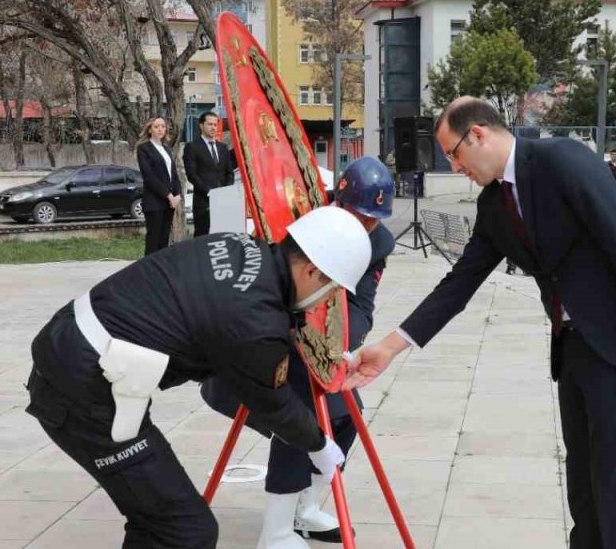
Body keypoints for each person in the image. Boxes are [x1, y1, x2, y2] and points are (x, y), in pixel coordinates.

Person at [344, 96, 616, 549]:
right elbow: (458, 285)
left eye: (454, 153)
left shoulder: (561, 160)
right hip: (573, 349)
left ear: (479, 134)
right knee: (583, 489)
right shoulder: (494, 205)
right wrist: (388, 346)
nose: (455, 166)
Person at [25, 206, 372, 549]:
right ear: (312, 271)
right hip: (84, 390)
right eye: (331, 290)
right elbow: (272, 403)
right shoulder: (254, 320)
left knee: (160, 525)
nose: (324, 302)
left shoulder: (240, 246)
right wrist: (319, 444)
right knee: (185, 531)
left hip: (75, 351)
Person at [200, 156, 396, 549]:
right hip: (257, 351)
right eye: (355, 215)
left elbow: (361, 307)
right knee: (300, 417)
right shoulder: (295, 212)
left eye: (371, 220)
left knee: (346, 419)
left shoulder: (377, 243)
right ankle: (275, 532)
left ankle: (305, 509)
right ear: (336, 203)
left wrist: (335, 340)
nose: (362, 228)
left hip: (317, 349)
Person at [184, 112, 235, 237]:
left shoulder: (223, 147)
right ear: (201, 126)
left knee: (222, 237)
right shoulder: (192, 147)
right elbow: (192, 174)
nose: (213, 127)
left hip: (223, 201)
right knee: (203, 237)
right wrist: (210, 192)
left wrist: (225, 192)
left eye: (215, 124)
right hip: (203, 201)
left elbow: (229, 172)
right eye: (209, 124)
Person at [137, 117, 183, 255]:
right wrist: (168, 195)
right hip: (154, 202)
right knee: (154, 240)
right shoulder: (144, 149)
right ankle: (148, 273)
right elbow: (149, 177)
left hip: (169, 203)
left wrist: (178, 195)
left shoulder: (166, 149)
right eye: (156, 126)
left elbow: (174, 175)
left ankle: (160, 272)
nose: (160, 129)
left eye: (163, 126)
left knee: (164, 240)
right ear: (150, 129)